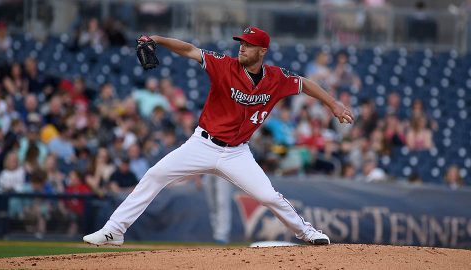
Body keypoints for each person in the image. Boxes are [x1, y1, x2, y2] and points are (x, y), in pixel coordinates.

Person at [83, 26, 354, 246]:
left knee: (269, 197)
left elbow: (305, 83)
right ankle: (114, 230)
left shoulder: (276, 77)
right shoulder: (224, 65)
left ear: (262, 50)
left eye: (248, 44)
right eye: (241, 42)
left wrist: (334, 105)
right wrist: (156, 39)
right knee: (155, 175)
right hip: (202, 144)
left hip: (237, 152)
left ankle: (307, 233)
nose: (242, 47)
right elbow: (189, 49)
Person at [202, 174, 233, 244]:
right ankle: (216, 234)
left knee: (222, 203)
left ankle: (222, 237)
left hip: (223, 169)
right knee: (212, 205)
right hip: (209, 171)